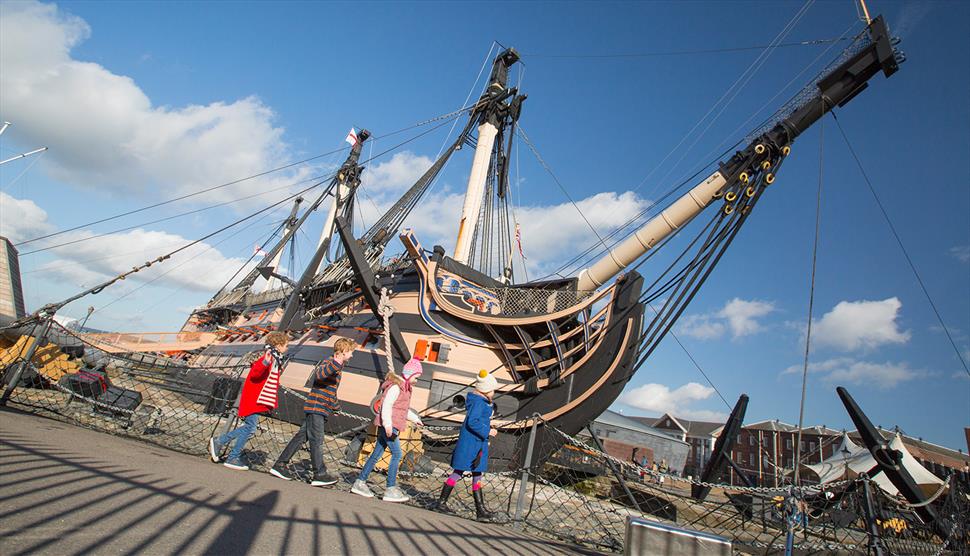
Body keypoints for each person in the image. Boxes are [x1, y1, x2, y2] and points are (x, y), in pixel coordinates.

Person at [268, 337, 355, 486]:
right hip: (316, 408)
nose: (352, 355)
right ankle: (319, 473)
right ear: (343, 352)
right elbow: (320, 374)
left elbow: (330, 391)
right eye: (351, 352)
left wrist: (336, 407)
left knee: (301, 437)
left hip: (320, 407)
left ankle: (280, 464)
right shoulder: (330, 363)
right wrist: (336, 362)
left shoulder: (337, 368)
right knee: (317, 440)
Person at [208, 331, 289, 470]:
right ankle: (226, 450)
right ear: (278, 345)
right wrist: (264, 362)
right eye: (286, 345)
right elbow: (256, 373)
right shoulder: (267, 357)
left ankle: (224, 447)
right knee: (250, 427)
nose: (287, 348)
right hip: (254, 397)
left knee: (249, 428)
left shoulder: (274, 359)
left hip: (258, 397)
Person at [351, 357, 424, 502]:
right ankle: (390, 488)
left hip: (392, 426)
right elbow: (387, 405)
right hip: (389, 426)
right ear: (410, 374)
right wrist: (388, 425)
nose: (417, 380)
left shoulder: (406, 389)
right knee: (397, 454)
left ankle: (360, 481)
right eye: (416, 376)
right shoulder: (397, 387)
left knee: (376, 454)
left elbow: (403, 409)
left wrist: (415, 419)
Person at [430, 369, 499, 521]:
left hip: (476, 443)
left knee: (476, 473)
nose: (494, 393)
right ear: (486, 390)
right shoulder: (479, 403)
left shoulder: (480, 402)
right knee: (459, 471)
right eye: (492, 390)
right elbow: (472, 421)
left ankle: (480, 509)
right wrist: (488, 432)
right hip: (471, 444)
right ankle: (442, 502)